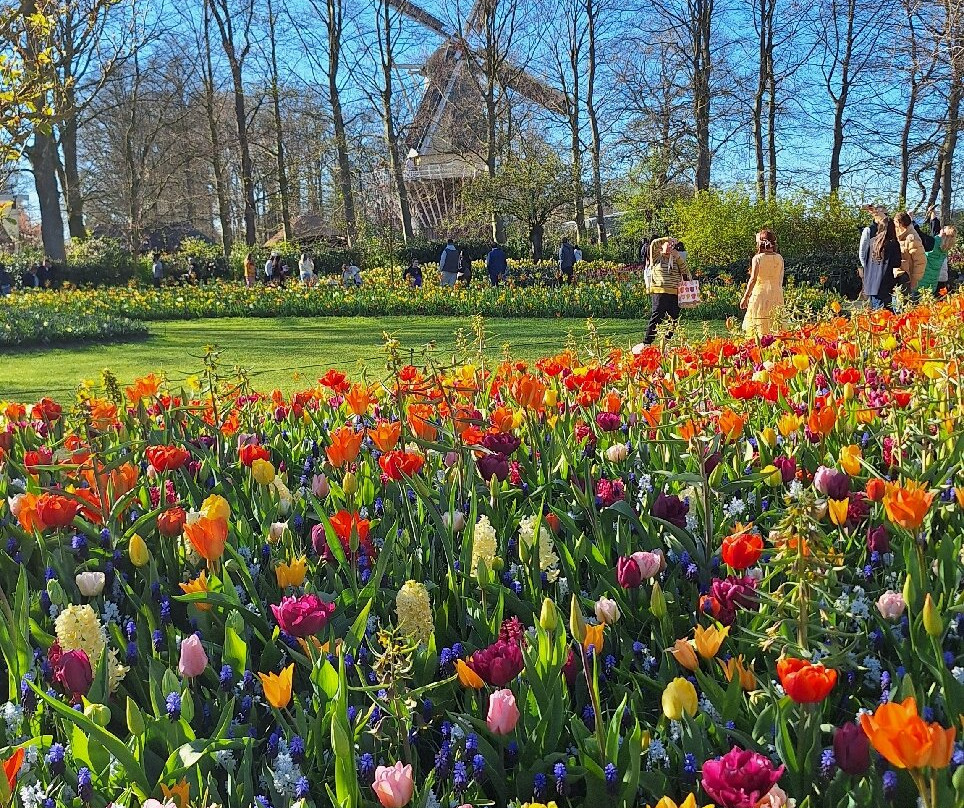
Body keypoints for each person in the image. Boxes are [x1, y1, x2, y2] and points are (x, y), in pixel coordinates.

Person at [642, 236, 690, 344]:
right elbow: (654, 243)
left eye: (672, 245)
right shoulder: (657, 258)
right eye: (667, 245)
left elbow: (685, 271)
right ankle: (647, 342)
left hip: (674, 292)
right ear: (661, 247)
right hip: (660, 292)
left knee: (673, 319)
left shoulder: (676, 259)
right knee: (657, 316)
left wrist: (677, 257)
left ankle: (665, 342)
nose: (670, 247)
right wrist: (667, 239)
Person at [740, 229, 785, 337]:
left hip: (760, 294)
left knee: (759, 323)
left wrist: (745, 297)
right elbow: (780, 279)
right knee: (775, 322)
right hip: (776, 293)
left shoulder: (758, 258)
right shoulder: (779, 258)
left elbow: (753, 279)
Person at [859, 216, 903, 310]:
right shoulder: (893, 244)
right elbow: (897, 263)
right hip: (885, 285)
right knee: (886, 316)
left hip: (871, 285)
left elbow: (865, 259)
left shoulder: (872, 242)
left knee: (876, 315)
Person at [895, 211, 926, 292]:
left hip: (906, 278)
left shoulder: (912, 238)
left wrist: (915, 280)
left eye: (895, 222)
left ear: (899, 223)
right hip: (896, 275)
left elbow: (920, 261)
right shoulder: (896, 234)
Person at [920, 225, 956, 293]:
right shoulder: (946, 247)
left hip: (922, 280)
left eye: (944, 228)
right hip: (934, 282)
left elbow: (920, 235)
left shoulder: (934, 242)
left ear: (943, 233)